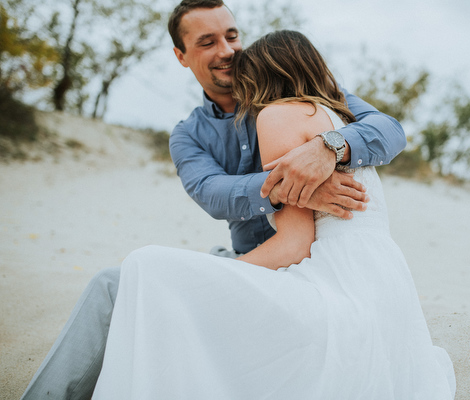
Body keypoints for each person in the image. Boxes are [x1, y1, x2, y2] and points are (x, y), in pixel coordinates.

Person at [20, 1, 406, 399]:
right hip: (246, 258)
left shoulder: (292, 91)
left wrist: (328, 149)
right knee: (114, 285)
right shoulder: (187, 135)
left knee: (142, 281)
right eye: (207, 41)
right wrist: (289, 184)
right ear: (181, 56)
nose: (226, 50)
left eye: (232, 35)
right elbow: (213, 194)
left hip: (311, 265)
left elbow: (389, 130)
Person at [91, 30, 456, 399]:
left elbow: (295, 245)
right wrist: (281, 187)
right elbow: (212, 192)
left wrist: (222, 275)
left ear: (254, 80)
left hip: (334, 280)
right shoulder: (338, 112)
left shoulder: (275, 116)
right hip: (385, 281)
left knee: (145, 263)